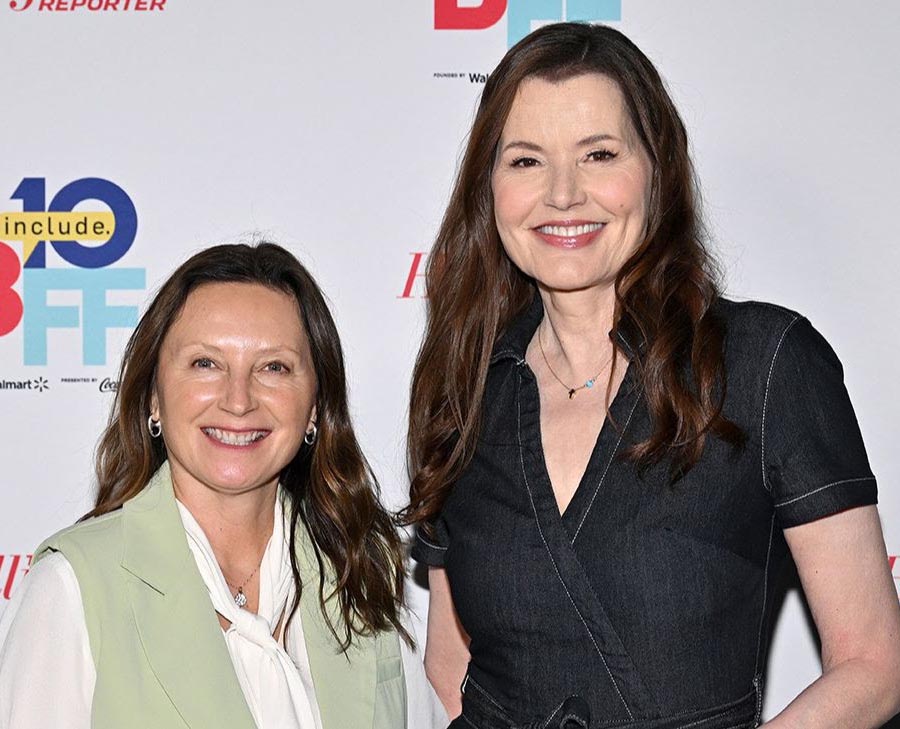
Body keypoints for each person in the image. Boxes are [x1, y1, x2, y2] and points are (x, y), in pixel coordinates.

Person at [405, 22, 900, 729]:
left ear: (656, 169)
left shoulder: (762, 364)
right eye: (526, 161)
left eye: (598, 154)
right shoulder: (462, 386)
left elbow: (873, 661)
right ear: (489, 188)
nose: (563, 194)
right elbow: (451, 665)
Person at [0, 242, 446, 729]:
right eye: (205, 364)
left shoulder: (358, 573)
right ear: (153, 395)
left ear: (316, 407)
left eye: (274, 367)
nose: (239, 400)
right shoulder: (73, 589)